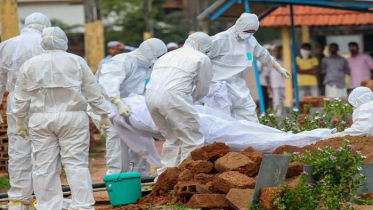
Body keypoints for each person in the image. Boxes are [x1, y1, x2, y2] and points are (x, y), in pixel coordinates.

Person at [13, 27, 111, 210]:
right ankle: (82, 206)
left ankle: (48, 206)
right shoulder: (76, 61)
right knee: (76, 163)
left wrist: (20, 121)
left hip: (40, 119)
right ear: (64, 41)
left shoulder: (30, 64)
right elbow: (93, 90)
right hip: (73, 118)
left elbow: (20, 96)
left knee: (43, 166)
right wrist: (103, 114)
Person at [112, 94, 335, 154]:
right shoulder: (131, 107)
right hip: (202, 125)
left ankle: (314, 138)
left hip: (202, 125)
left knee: (253, 134)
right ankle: (314, 138)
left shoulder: (128, 111)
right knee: (254, 136)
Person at [0, 12, 51, 210]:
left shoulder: (5, 45)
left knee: (18, 149)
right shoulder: (46, 42)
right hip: (43, 101)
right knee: (44, 148)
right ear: (45, 25)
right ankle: (43, 198)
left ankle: (19, 200)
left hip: (16, 101)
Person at [145, 32, 213, 175]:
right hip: (174, 97)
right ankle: (185, 178)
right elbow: (202, 89)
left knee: (172, 139)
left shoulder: (167, 56)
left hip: (150, 97)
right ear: (204, 47)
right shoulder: (201, 57)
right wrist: (192, 101)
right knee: (192, 139)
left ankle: (165, 177)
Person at [98, 38, 167, 176]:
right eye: (157, 56)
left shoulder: (149, 66)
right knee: (118, 143)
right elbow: (108, 83)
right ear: (150, 53)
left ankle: (142, 177)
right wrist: (118, 102)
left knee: (142, 140)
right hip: (110, 107)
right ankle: (117, 179)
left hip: (132, 109)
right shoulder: (122, 60)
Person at [206, 13, 291, 122]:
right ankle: (219, 139)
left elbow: (263, 54)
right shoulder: (220, 40)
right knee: (220, 119)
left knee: (249, 113)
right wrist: (205, 82)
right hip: (218, 86)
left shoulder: (251, 41)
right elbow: (201, 58)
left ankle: (251, 138)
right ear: (238, 26)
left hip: (238, 84)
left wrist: (278, 67)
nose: (249, 34)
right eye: (247, 31)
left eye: (252, 32)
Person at [268, 45, 285, 116]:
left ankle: (287, 117)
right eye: (275, 51)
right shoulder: (270, 61)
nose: (276, 53)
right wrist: (269, 87)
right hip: (275, 85)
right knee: (277, 103)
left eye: (277, 51)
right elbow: (267, 75)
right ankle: (277, 118)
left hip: (285, 85)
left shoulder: (285, 60)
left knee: (286, 102)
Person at [257, 44, 272, 111]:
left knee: (269, 98)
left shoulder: (271, 59)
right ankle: (264, 111)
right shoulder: (259, 60)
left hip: (271, 82)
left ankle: (268, 111)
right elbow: (258, 70)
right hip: (262, 82)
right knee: (264, 98)